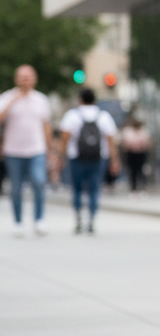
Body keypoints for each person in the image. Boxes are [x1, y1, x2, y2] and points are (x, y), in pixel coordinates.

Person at [0, 65, 53, 237]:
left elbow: (46, 127)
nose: (25, 80)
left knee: (38, 182)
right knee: (15, 188)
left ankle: (39, 220)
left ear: (34, 79)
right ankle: (18, 223)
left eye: (28, 77)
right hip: (13, 151)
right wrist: (13, 101)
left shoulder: (41, 100)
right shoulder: (7, 97)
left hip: (36, 149)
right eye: (22, 77)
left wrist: (49, 149)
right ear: (16, 79)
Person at [59, 88, 119, 234]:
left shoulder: (72, 115)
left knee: (77, 189)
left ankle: (78, 218)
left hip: (76, 157)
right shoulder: (103, 116)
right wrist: (115, 160)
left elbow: (65, 138)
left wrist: (61, 157)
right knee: (94, 189)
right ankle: (91, 219)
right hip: (98, 158)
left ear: (80, 99)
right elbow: (111, 140)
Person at [121, 115, 151, 196]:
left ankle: (142, 188)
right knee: (132, 172)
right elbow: (125, 144)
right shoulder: (128, 132)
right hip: (131, 154)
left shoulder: (144, 131)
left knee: (141, 171)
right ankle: (133, 189)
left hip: (141, 154)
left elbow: (147, 143)